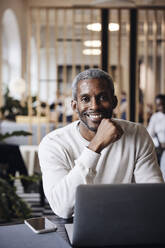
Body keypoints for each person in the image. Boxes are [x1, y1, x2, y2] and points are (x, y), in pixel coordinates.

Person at [38, 68, 163, 219]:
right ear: (74, 106)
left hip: (127, 220)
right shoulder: (53, 143)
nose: (94, 106)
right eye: (85, 99)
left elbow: (154, 195)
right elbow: (62, 208)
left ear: (114, 102)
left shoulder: (137, 134)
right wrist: (95, 146)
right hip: (76, 224)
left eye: (102, 97)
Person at [147, 94, 165, 180]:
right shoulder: (155, 117)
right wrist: (159, 144)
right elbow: (150, 134)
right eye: (158, 105)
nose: (161, 107)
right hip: (160, 148)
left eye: (162, 104)